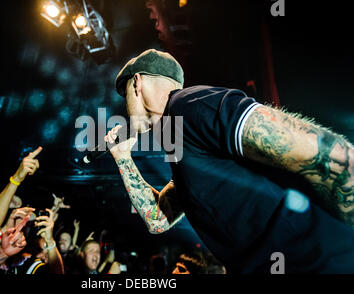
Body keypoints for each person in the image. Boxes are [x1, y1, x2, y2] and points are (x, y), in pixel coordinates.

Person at [105, 49, 354, 273]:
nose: (125, 106)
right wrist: (123, 158)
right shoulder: (178, 141)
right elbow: (157, 219)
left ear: (136, 83)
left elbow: (336, 156)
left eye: (124, 93)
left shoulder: (189, 106)